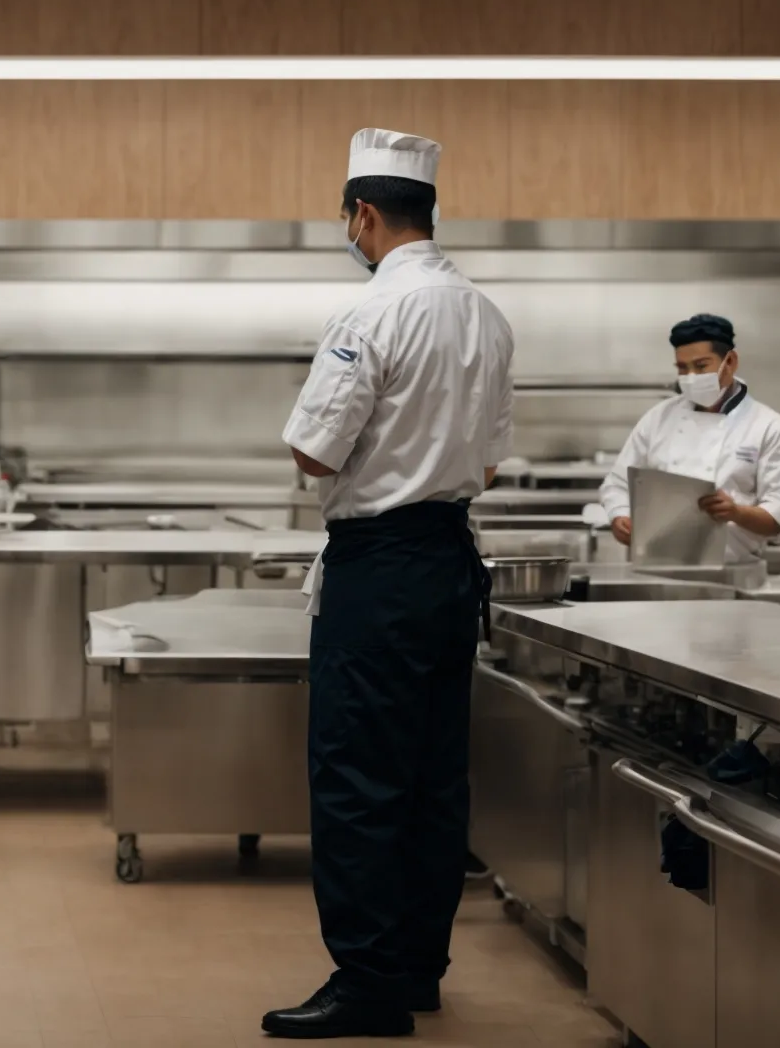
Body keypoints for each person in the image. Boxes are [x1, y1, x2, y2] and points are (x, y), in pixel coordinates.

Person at [264, 128, 515, 1040]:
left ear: (364, 215)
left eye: (348, 220)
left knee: (359, 775)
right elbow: (486, 465)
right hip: (450, 562)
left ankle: (365, 983)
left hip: (381, 568)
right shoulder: (486, 315)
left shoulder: (370, 315)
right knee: (432, 777)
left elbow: (311, 448)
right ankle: (414, 968)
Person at [599, 313, 780, 562]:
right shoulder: (659, 418)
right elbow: (618, 484)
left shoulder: (769, 427)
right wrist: (619, 516)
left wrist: (736, 513)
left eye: (701, 366)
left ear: (730, 362)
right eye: (683, 368)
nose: (691, 377)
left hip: (733, 574)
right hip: (656, 570)